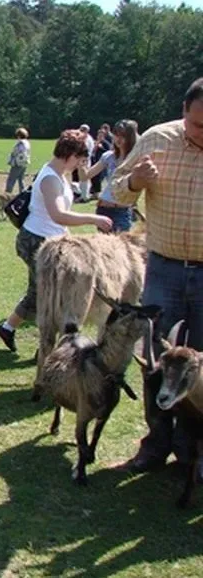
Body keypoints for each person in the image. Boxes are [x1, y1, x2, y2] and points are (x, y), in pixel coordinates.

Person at [111, 77, 203, 475]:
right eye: (199, 126)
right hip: (163, 268)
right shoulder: (156, 140)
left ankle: (194, 450)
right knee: (155, 360)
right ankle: (156, 445)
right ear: (184, 114)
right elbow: (115, 192)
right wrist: (135, 182)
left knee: (200, 368)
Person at [0, 130, 113, 353]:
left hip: (50, 239)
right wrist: (93, 218)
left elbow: (58, 218)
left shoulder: (59, 175)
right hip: (36, 241)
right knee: (43, 294)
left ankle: (12, 330)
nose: (80, 165)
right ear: (69, 154)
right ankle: (28, 337)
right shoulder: (50, 178)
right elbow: (58, 214)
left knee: (46, 292)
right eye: (79, 159)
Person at [80, 119, 139, 233]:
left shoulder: (135, 159)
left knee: (120, 247)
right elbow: (85, 176)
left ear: (131, 138)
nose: (118, 139)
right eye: (116, 135)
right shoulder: (108, 156)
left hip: (121, 210)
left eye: (123, 136)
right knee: (104, 248)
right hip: (103, 209)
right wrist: (81, 164)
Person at [4, 127, 31, 195]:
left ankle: (7, 194)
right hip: (24, 163)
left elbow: (18, 153)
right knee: (21, 180)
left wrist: (12, 159)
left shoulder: (20, 143)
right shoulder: (27, 143)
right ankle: (23, 194)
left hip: (18, 163)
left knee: (11, 179)